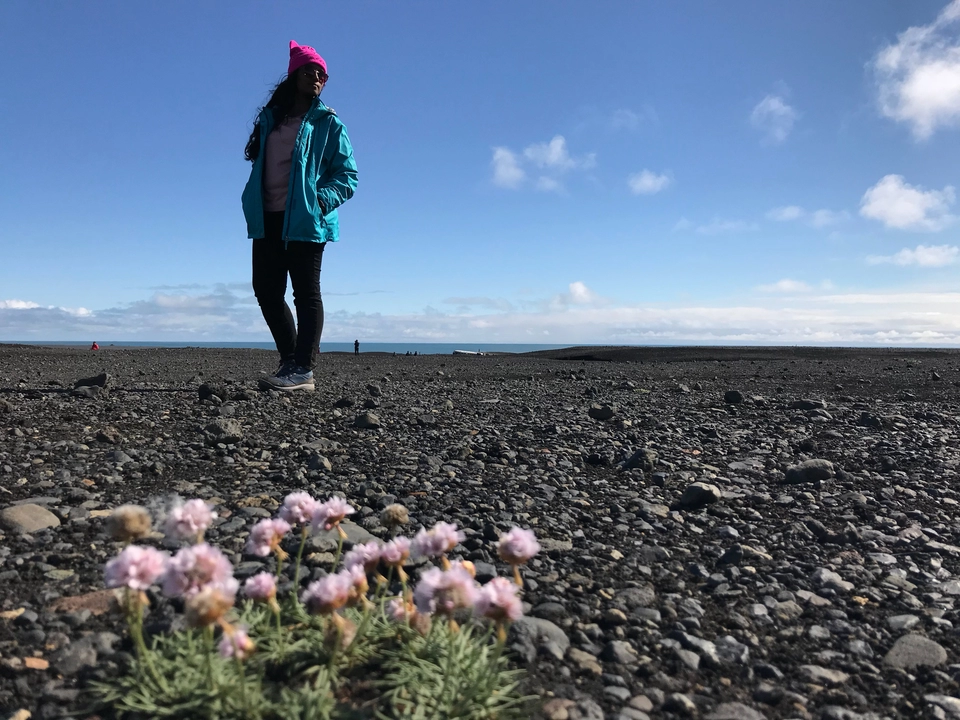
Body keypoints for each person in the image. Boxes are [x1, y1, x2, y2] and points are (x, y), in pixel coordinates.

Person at [242, 40, 358, 391]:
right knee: (266, 290)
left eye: (322, 74)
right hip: (268, 217)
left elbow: (348, 176)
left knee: (306, 294)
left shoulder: (329, 123)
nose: (316, 77)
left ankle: (303, 370)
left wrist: (318, 201)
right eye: (310, 71)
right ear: (293, 75)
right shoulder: (270, 120)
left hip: (306, 221)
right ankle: (290, 361)